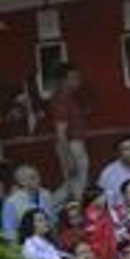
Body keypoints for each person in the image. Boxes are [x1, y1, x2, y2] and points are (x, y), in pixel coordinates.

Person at [48, 64, 90, 202]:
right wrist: (69, 158)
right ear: (64, 80)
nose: (78, 80)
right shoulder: (62, 99)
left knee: (75, 184)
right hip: (71, 146)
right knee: (76, 185)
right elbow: (60, 133)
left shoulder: (69, 98)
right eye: (74, 77)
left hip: (75, 144)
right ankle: (48, 208)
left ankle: (48, 209)